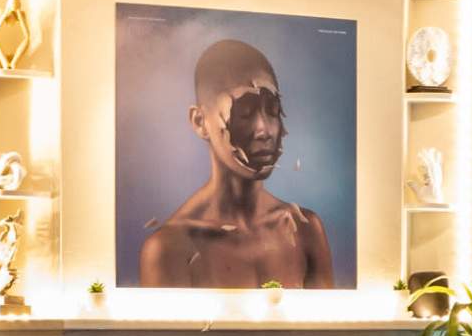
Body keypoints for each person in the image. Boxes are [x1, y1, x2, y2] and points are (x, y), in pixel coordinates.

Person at [137, 38, 337, 289]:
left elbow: (327, 326)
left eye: (272, 109)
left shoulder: (304, 230)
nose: (264, 130)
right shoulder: (169, 249)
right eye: (245, 112)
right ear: (200, 122)